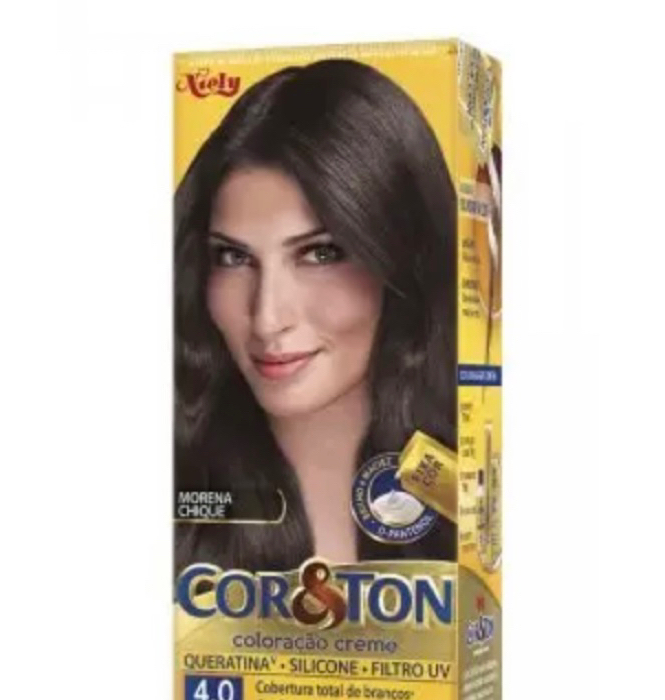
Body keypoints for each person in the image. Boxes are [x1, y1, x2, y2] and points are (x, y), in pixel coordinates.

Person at [174, 58, 456, 576]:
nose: (267, 319)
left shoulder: (465, 505)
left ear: (403, 259)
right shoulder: (179, 503)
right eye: (233, 257)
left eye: (321, 254)